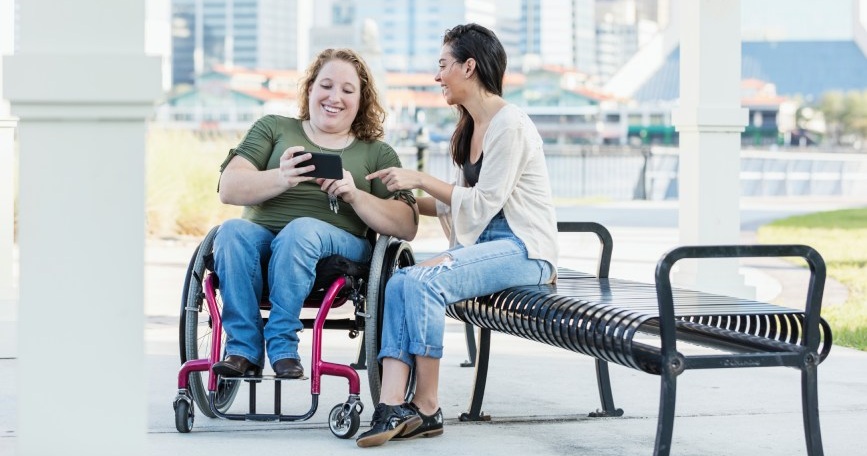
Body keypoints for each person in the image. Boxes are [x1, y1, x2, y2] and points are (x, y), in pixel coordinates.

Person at [357, 23, 559, 447]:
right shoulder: (470, 128)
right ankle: (392, 404)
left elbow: (482, 203)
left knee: (424, 282)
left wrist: (421, 178)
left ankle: (427, 407)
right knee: (401, 282)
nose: (437, 76)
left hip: (524, 250)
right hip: (490, 249)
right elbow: (453, 204)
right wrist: (383, 198)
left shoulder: (511, 125)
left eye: (443, 65)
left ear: (469, 67)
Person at [211, 48, 418, 380]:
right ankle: (242, 349)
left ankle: (281, 344)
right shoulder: (273, 128)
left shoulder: (376, 152)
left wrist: (355, 194)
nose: (334, 97)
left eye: (347, 90)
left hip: (336, 252)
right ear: (309, 89)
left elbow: (406, 224)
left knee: (302, 229)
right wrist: (282, 177)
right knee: (231, 231)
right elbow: (229, 188)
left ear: (360, 101)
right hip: (260, 245)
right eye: (326, 85)